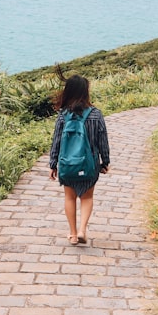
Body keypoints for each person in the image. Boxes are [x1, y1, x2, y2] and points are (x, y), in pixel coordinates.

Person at [48, 74, 110, 245]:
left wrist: (53, 164)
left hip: (68, 164)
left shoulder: (63, 115)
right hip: (89, 165)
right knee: (87, 197)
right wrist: (105, 162)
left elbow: (57, 141)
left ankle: (73, 234)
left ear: (68, 92)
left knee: (69, 197)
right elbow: (102, 140)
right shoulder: (96, 114)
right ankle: (83, 229)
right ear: (86, 92)